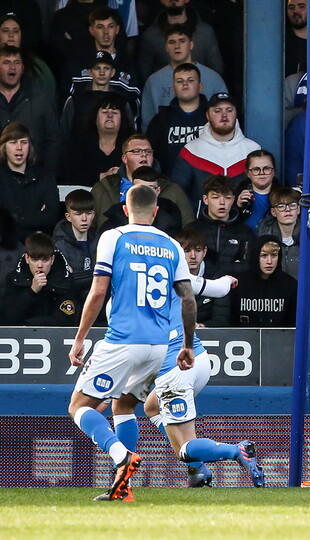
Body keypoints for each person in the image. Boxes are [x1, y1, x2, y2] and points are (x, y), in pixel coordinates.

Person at [67, 183, 197, 501]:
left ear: (125, 209)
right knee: (123, 405)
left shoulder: (114, 237)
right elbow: (188, 299)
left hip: (123, 340)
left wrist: (80, 338)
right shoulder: (172, 246)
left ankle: (120, 455)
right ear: (156, 211)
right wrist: (187, 345)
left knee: (79, 406)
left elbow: (98, 291)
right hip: (159, 347)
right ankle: (122, 487)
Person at [141, 260, 264, 489]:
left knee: (184, 448)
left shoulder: (130, 288)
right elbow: (218, 288)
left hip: (175, 371)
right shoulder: (175, 275)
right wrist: (227, 280)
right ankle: (199, 472)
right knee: (151, 407)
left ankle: (236, 451)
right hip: (199, 359)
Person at [171, 92, 260, 207]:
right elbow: (178, 194)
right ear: (207, 115)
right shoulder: (191, 150)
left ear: (236, 114)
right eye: (217, 111)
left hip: (243, 218)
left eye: (229, 110)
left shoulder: (252, 150)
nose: (224, 115)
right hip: (202, 218)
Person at [91, 134, 194, 231]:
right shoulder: (102, 188)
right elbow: (89, 229)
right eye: (136, 151)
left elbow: (189, 229)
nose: (144, 155)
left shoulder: (173, 190)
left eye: (148, 152)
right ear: (124, 158)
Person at [141, 24, 228, 130]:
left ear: (191, 45)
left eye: (182, 41)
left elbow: (226, 116)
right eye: (172, 42)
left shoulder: (213, 78)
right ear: (166, 47)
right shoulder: (153, 81)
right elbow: (147, 122)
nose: (177, 46)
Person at [0, 45, 62, 175]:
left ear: (23, 68)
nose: (12, 67)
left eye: (17, 62)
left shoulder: (41, 97)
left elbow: (53, 139)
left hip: (34, 176)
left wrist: (46, 176)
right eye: (6, 62)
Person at [2, 232, 79, 325]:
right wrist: (32, 291)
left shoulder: (64, 279)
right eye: (34, 260)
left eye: (45, 260)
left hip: (51, 333)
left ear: (52, 260)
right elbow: (7, 319)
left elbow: (66, 319)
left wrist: (30, 325)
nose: (40, 265)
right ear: (27, 258)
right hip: (20, 333)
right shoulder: (14, 279)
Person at [59, 93, 135, 187]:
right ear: (95, 118)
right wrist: (101, 176)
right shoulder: (77, 144)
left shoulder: (132, 145)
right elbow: (69, 175)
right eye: (104, 112)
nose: (110, 115)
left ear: (122, 119)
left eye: (115, 112)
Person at [145, 63, 209, 174]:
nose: (185, 84)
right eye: (180, 81)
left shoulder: (213, 117)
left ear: (200, 86)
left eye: (191, 80)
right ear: (173, 88)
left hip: (208, 182)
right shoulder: (161, 120)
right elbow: (151, 156)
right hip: (170, 182)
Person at [0, 121, 58, 242]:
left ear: (30, 146)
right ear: (4, 147)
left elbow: (51, 217)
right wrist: (31, 231)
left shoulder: (44, 177)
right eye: (13, 142)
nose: (19, 147)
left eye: (24, 142)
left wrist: (14, 218)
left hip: (36, 249)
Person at [60, 50, 140, 137]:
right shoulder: (75, 101)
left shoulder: (122, 102)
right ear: (90, 72)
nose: (102, 73)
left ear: (112, 72)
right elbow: (63, 134)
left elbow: (130, 136)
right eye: (97, 68)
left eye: (106, 68)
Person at [185, 174, 254, 274]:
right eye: (216, 197)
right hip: (201, 283)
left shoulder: (244, 232)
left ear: (233, 200)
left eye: (227, 197)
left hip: (234, 283)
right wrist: (233, 266)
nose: (222, 202)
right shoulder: (192, 229)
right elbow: (185, 264)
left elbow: (247, 266)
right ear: (205, 199)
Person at [138, 2, 224, 81]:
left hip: (201, 89)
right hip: (164, 90)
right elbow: (144, 76)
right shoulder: (150, 36)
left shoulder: (205, 32)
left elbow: (217, 71)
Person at [230, 234, 297, 326]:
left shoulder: (290, 285)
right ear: (255, 257)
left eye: (274, 255)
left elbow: (293, 324)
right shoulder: (238, 283)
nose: (269, 261)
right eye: (264, 255)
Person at [100, 166, 185, 236]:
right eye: (140, 188)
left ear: (158, 191)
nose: (145, 193)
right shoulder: (115, 218)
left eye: (150, 188)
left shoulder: (171, 213)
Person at [175, 227, 231, 327]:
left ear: (204, 252)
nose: (193, 256)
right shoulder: (169, 275)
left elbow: (222, 318)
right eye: (187, 251)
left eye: (198, 250)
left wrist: (202, 326)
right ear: (177, 252)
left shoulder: (218, 276)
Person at [53, 188, 99, 298]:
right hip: (69, 299)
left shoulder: (99, 240)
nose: (84, 219)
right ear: (68, 217)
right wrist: (94, 276)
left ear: (93, 215)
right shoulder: (59, 244)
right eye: (78, 214)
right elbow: (64, 282)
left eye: (88, 213)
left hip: (95, 297)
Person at [258, 186, 302, 279]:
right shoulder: (263, 237)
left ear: (298, 209)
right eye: (281, 206)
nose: (288, 209)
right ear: (273, 212)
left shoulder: (309, 237)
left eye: (292, 205)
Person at [234, 149, 278, 233]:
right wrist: (237, 207)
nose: (261, 173)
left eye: (267, 168)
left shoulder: (285, 196)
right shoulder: (235, 196)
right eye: (256, 169)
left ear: (274, 172)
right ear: (247, 173)